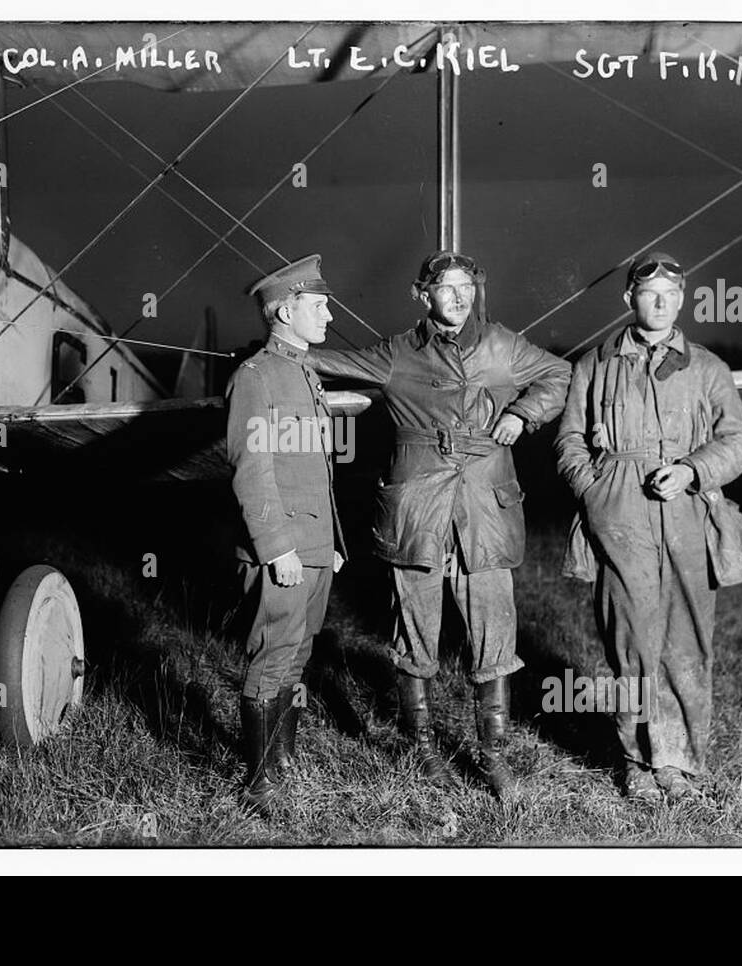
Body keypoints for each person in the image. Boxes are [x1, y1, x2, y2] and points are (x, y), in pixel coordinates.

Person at [308, 251, 570, 801]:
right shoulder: (397, 354)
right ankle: (422, 746)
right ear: (421, 295)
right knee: (416, 625)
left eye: (467, 286)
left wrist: (524, 414)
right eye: (446, 288)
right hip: (418, 512)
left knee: (494, 628)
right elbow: (330, 362)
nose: (459, 297)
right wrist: (279, 350)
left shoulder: (503, 346)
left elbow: (559, 373)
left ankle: (493, 753)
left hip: (486, 512)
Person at [555, 251, 742, 801]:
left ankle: (682, 764)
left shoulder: (709, 367)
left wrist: (694, 467)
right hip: (620, 512)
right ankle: (639, 763)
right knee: (632, 638)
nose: (661, 302)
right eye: (650, 293)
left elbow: (739, 442)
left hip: (690, 511)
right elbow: (570, 439)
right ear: (630, 300)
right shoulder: (594, 365)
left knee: (688, 638)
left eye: (672, 292)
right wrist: (595, 492)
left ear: (683, 298)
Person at [225, 254, 346, 815]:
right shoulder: (256, 377)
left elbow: (315, 472)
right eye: (317, 304)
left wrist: (331, 547)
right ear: (283, 310)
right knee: (272, 659)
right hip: (284, 549)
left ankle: (281, 761)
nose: (327, 313)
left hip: (314, 545)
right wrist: (278, 549)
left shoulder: (305, 372)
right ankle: (259, 783)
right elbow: (253, 470)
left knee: (298, 656)